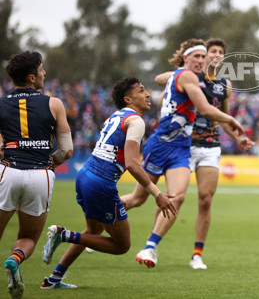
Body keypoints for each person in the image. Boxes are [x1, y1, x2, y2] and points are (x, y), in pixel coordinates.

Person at [38, 76, 178, 289]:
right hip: (101, 184)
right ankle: (64, 234)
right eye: (141, 91)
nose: (148, 94)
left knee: (92, 231)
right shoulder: (136, 121)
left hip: (85, 176)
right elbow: (132, 163)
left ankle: (54, 279)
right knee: (122, 246)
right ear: (128, 99)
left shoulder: (117, 115)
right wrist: (157, 194)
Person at [119, 38, 244, 268]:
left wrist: (236, 134)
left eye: (207, 54)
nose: (207, 57)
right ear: (188, 58)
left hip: (184, 147)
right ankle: (97, 220)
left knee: (178, 197)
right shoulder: (186, 76)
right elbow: (205, 108)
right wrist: (232, 118)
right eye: (202, 54)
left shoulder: (216, 83)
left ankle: (151, 247)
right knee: (138, 199)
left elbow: (211, 110)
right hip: (163, 144)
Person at [152, 38, 254, 269]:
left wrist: (239, 137)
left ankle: (197, 254)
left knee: (206, 200)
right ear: (203, 55)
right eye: (212, 51)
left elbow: (222, 117)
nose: (216, 55)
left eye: (220, 52)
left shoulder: (224, 85)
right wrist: (177, 73)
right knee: (170, 198)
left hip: (210, 145)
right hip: (183, 145)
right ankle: (152, 245)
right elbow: (159, 79)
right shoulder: (190, 76)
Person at [0, 51, 73, 299]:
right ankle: (14, 259)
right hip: (40, 175)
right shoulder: (54, 103)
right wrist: (50, 160)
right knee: (29, 236)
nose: (45, 73)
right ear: (32, 77)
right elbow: (67, 150)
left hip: (8, 172)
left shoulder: (0, 103)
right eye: (42, 70)